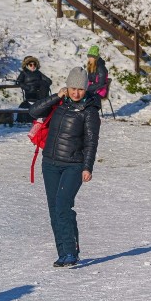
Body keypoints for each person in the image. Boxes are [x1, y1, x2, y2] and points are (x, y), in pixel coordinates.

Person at [29, 67, 101, 268]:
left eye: (80, 89)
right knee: (54, 209)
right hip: (50, 163)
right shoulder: (59, 102)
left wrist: (87, 167)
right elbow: (33, 111)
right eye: (72, 88)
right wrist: (55, 96)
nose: (76, 93)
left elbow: (91, 142)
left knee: (62, 205)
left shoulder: (90, 110)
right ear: (67, 87)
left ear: (86, 89)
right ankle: (63, 253)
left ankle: (70, 251)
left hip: (74, 165)